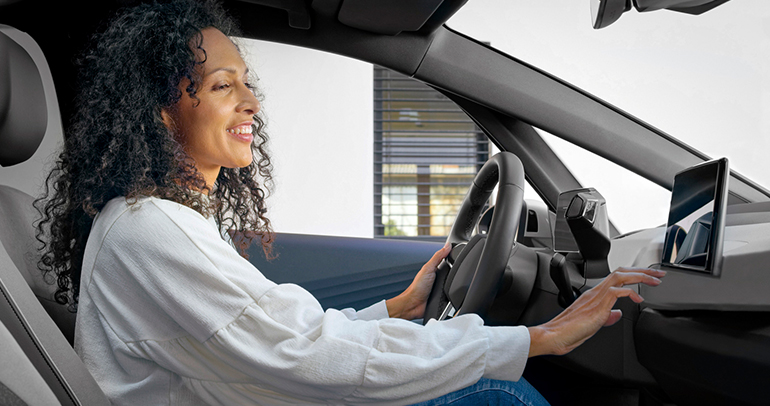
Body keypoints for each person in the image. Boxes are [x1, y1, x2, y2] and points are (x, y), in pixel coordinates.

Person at [34, 1, 666, 405]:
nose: (251, 103)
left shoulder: (160, 221)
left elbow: (278, 340)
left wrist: (397, 307)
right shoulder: (150, 231)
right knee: (500, 395)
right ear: (160, 110)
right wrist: (538, 339)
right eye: (223, 86)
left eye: (246, 84)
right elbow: (304, 355)